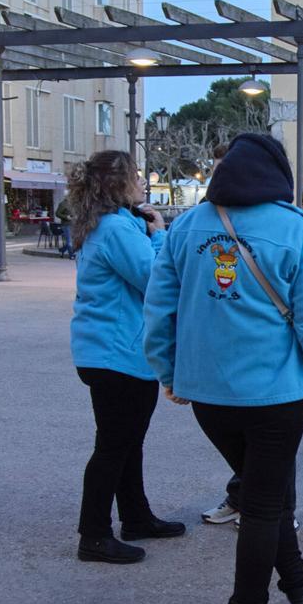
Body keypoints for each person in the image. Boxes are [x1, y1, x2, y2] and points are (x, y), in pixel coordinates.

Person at [144, 133, 303, 604]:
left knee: (269, 494)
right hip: (274, 394)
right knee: (264, 504)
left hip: (209, 397)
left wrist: (168, 371)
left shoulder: (186, 228)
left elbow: (159, 310)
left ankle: (302, 590)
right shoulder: (294, 229)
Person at [68, 150, 184, 565]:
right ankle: (94, 533)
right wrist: (160, 233)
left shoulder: (108, 225)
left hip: (112, 352)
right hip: (117, 354)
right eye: (135, 175)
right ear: (119, 184)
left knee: (126, 441)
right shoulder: (118, 229)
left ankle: (136, 516)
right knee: (114, 445)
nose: (142, 182)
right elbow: (155, 278)